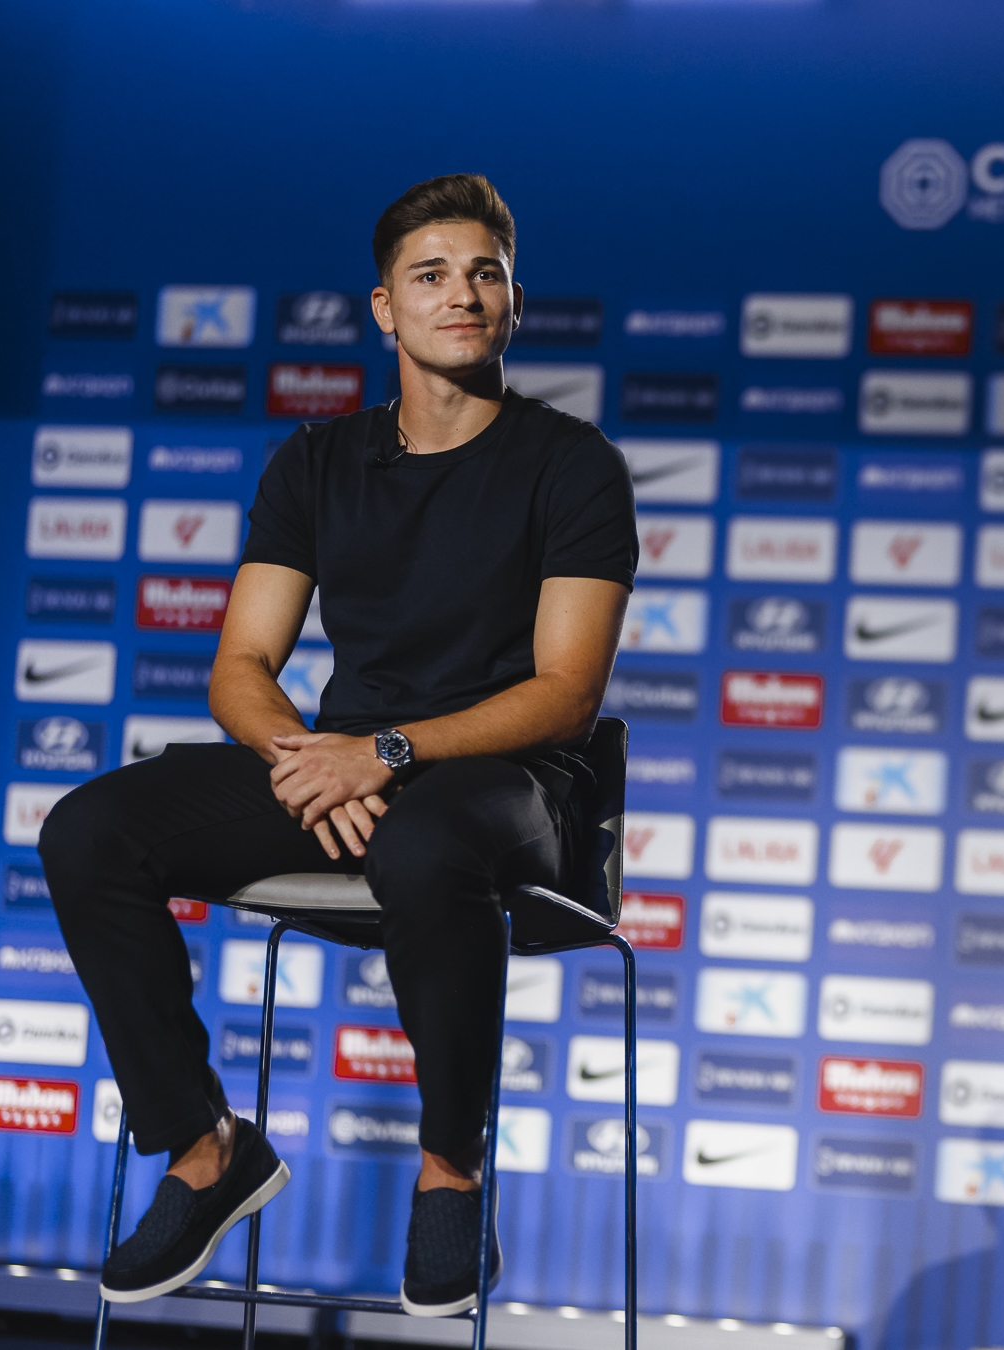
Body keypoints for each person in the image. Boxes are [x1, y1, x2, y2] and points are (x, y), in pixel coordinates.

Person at [38, 174, 636, 1315]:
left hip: (509, 788)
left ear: (514, 300)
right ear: (383, 310)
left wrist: (387, 755)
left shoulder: (572, 464)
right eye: (431, 276)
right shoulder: (316, 463)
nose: (460, 294)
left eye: (484, 274)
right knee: (90, 830)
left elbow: (563, 696)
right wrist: (306, 760)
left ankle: (452, 1168)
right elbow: (241, 668)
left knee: (421, 850)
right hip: (348, 771)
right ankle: (206, 1147)